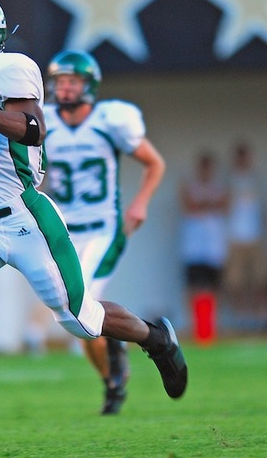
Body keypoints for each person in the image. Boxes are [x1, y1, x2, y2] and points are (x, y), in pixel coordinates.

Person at [0, 0, 187, 447]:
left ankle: (155, 338)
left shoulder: (11, 68)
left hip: (25, 218)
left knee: (80, 321)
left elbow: (31, 129)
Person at [40, 50, 166, 414]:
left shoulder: (111, 119)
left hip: (103, 229)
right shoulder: (44, 122)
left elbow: (154, 163)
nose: (64, 89)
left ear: (88, 85)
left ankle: (122, 361)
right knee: (77, 315)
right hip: (63, 233)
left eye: (72, 82)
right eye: (60, 82)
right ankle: (113, 369)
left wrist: (140, 203)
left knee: (80, 308)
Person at [179, 151, 228, 341]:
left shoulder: (219, 187)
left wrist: (205, 204)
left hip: (213, 247)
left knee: (215, 287)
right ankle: (194, 327)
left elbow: (225, 205)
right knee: (193, 287)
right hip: (193, 247)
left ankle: (213, 327)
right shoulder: (189, 185)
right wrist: (208, 204)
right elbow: (188, 205)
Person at [223, 142, 267, 331]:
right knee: (236, 282)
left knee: (260, 280)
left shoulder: (257, 180)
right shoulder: (229, 181)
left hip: (255, 238)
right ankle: (241, 318)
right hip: (235, 239)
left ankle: (259, 318)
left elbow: (265, 209)